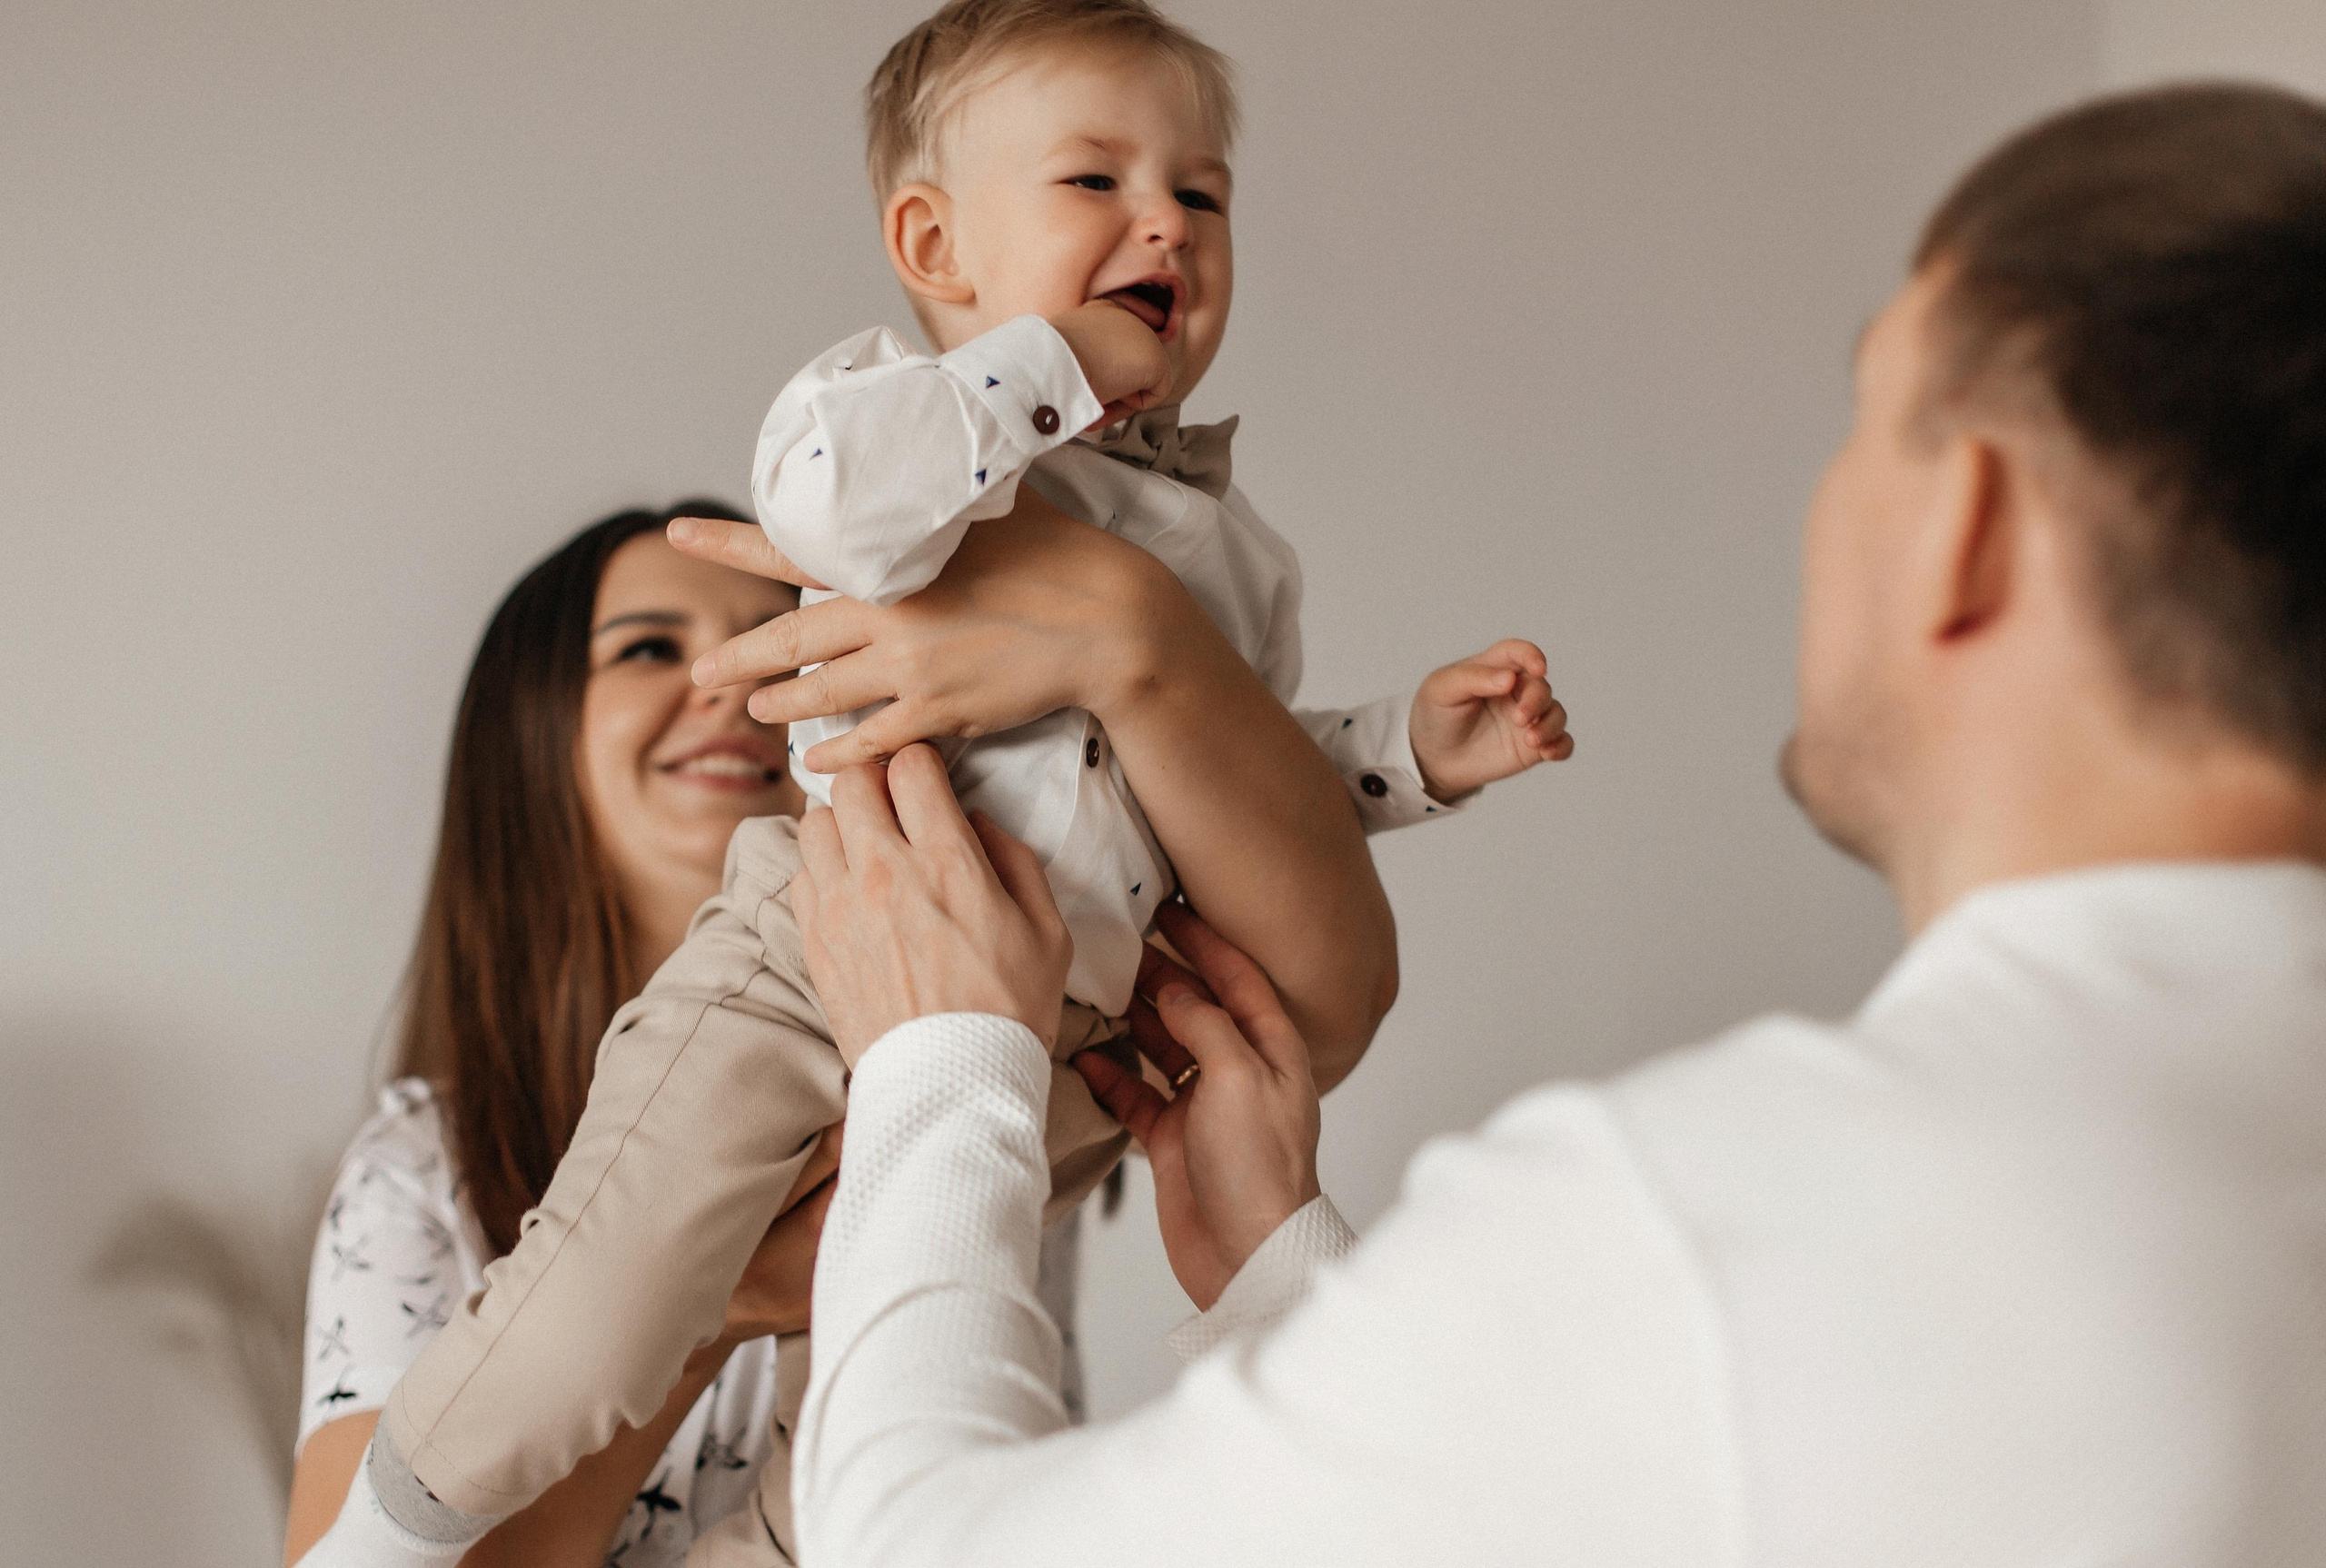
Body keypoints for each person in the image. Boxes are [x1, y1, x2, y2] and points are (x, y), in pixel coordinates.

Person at [775, 82, 2326, 1565]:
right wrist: (1280, 1271)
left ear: (1966, 524)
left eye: (1866, 418)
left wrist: (939, 1066)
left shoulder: (1706, 1231)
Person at [314, 4, 1574, 1565]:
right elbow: (831, 508)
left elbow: (1226, 788)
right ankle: (378, 1538)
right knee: (598, 1307)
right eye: (1095, 182)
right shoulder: (918, 424)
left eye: (1202, 195)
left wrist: (1402, 753)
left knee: (894, 1460)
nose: (1163, 223)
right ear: (934, 242)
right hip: (813, 968)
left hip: (1052, 1027)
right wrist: (1047, 371)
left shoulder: (1234, 563)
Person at [283, 501, 839, 1567]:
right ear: (528, 734)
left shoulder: (949, 1086)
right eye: (646, 648)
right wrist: (705, 1311)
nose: (729, 683)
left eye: (780, 640)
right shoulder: (421, 1174)